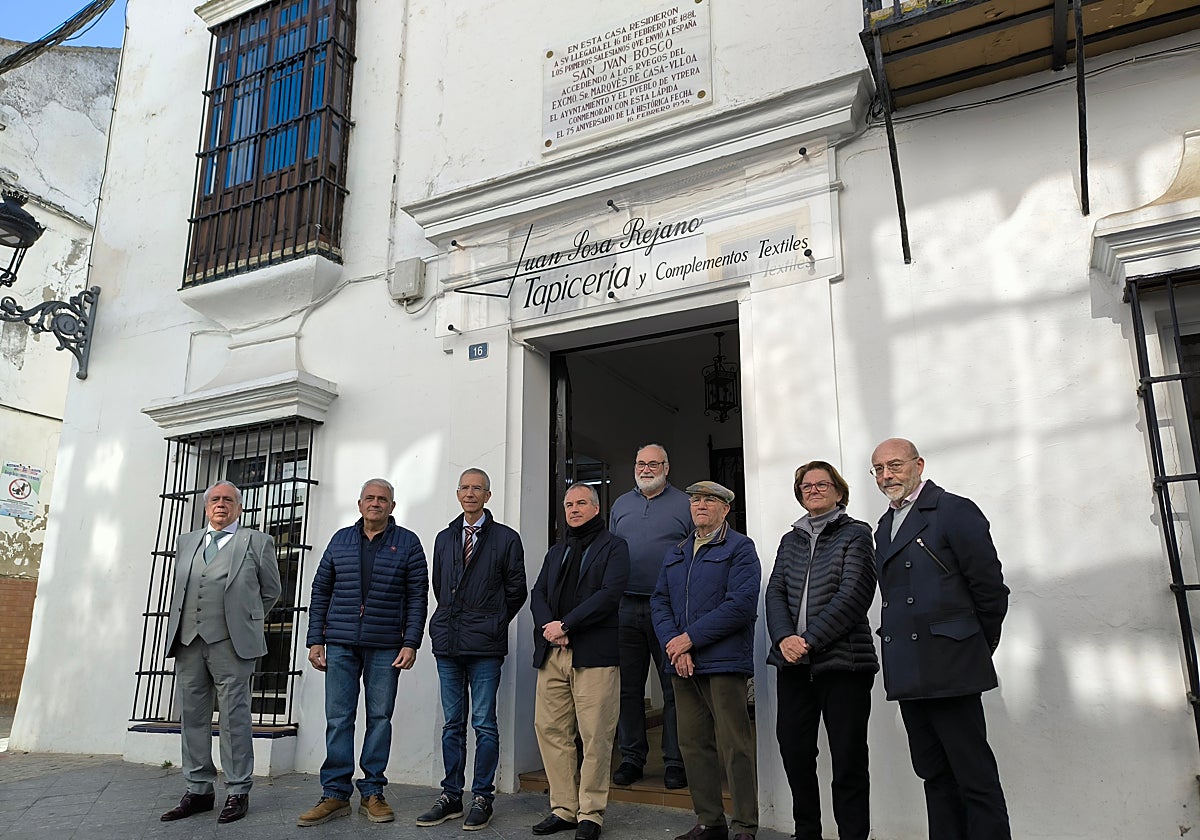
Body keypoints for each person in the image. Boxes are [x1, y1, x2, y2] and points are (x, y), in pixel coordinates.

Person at [871, 438, 1011, 840]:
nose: (886, 475)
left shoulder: (953, 510)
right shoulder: (885, 525)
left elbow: (990, 591)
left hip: (951, 666)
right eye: (878, 469)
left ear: (919, 464)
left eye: (895, 465)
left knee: (974, 777)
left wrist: (970, 646)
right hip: (910, 670)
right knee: (933, 774)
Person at [297, 479, 428, 827]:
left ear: (392, 506)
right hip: (339, 643)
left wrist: (411, 642)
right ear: (359, 504)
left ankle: (372, 793)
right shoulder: (340, 539)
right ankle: (335, 794)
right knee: (339, 718)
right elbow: (320, 589)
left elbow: (418, 597)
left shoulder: (409, 543)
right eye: (369, 498)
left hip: (386, 645)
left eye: (382, 499)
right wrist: (315, 640)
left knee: (380, 717)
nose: (376, 503)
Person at [765, 461, 878, 840]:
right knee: (795, 754)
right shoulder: (789, 540)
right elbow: (775, 592)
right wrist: (784, 639)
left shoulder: (857, 534)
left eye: (821, 484)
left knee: (848, 760)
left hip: (843, 664)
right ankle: (807, 832)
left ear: (839, 492)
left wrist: (808, 640)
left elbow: (854, 595)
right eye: (806, 486)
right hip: (793, 666)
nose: (813, 490)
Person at [160, 481, 281, 825]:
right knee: (193, 716)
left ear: (239, 507)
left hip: (232, 642)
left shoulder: (257, 541)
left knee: (234, 718)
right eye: (215, 499)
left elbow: (271, 590)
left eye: (228, 500)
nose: (221, 504)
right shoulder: (188, 541)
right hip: (188, 641)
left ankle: (238, 789)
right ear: (205, 506)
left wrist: (242, 619)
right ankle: (198, 789)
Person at [417, 468, 528, 831]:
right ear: (457, 493)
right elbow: (439, 585)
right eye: (464, 488)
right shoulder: (444, 538)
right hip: (448, 643)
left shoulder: (506, 538)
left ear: (488, 496)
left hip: (485, 645)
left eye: (477, 488)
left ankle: (482, 796)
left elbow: (517, 591)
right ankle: (451, 796)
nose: (470, 494)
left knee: (484, 723)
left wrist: (494, 621)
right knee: (452, 724)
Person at [651, 481, 760, 840]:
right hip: (682, 664)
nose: (700, 505)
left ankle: (744, 826)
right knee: (693, 744)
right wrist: (674, 645)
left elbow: (740, 605)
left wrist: (689, 640)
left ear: (725, 509)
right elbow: (659, 602)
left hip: (723, 662)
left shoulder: (740, 548)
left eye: (709, 500)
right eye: (696, 500)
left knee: (735, 746)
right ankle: (709, 821)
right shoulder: (677, 551)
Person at [529, 483, 630, 840]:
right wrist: (550, 629)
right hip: (553, 653)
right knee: (551, 730)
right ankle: (564, 808)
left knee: (595, 736)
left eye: (581, 503)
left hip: (593, 655)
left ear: (596, 507)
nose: (573, 509)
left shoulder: (614, 547)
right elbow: (537, 592)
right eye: (569, 504)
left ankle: (591, 813)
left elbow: (609, 595)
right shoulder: (557, 551)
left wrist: (567, 624)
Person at [609, 443, 692, 789]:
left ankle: (675, 761)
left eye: (653, 463)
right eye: (641, 463)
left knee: (674, 687)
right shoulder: (620, 504)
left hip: (669, 609)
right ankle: (632, 758)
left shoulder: (685, 504)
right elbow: (610, 553)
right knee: (628, 689)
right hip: (625, 606)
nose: (646, 469)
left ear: (666, 468)